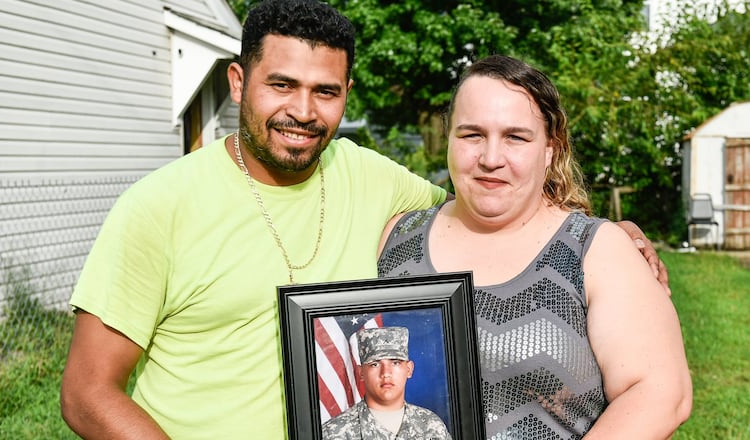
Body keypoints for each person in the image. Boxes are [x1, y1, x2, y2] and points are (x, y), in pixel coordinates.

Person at [59, 0, 667, 438]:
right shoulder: (157, 206)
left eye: (325, 91)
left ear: (347, 92)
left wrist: (605, 236)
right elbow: (87, 393)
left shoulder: (375, 180)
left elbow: (495, 192)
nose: (302, 111)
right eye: (281, 84)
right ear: (239, 83)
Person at [377, 55, 692, 439]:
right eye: (471, 134)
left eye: (516, 137)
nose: (491, 158)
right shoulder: (397, 237)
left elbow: (660, 393)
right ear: (448, 138)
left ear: (550, 149)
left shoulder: (594, 249)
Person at [322, 327, 452, 440]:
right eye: (375, 364)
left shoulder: (432, 426)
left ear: (409, 369)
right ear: (361, 372)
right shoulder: (334, 433)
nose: (386, 373)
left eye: (395, 363)